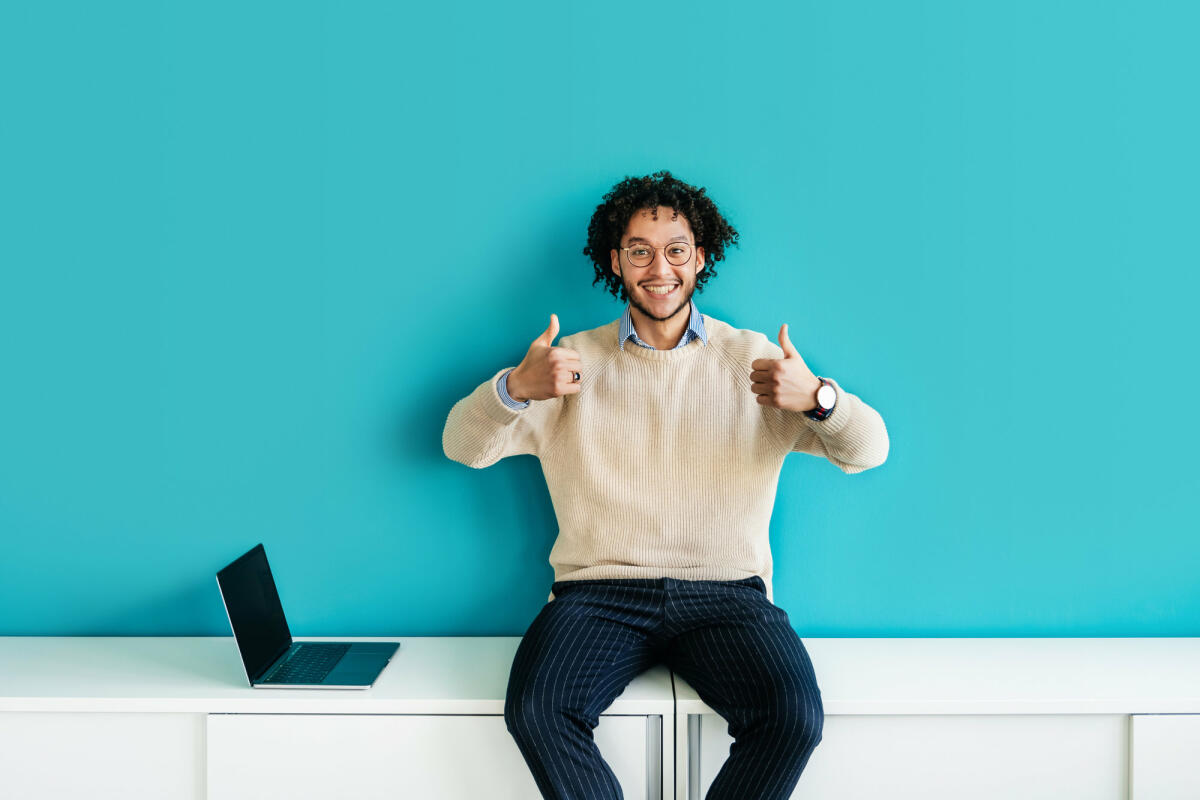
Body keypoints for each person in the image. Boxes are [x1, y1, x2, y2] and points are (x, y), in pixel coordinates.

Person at [442, 170, 889, 799]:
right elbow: (461, 446)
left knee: (793, 719)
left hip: (727, 595)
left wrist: (818, 398)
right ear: (615, 261)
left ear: (699, 258)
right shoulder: (567, 364)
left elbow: (869, 450)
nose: (660, 267)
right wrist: (514, 389)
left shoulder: (754, 361)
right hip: (598, 595)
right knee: (537, 711)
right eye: (640, 251)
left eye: (676, 249)